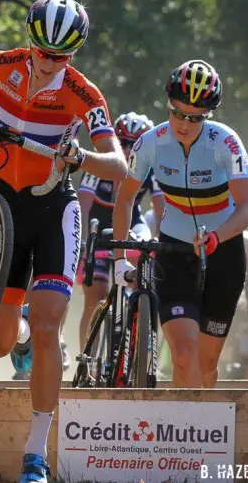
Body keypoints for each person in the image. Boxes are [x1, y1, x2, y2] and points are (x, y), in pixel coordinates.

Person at [0, 0, 127, 482]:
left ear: (73, 56)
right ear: (30, 39)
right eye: (40, 49)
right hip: (3, 209)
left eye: (58, 56)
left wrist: (80, 156)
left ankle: (36, 454)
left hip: (53, 210)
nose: (45, 61)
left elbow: (118, 165)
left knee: (47, 329)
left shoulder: (83, 93)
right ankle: (19, 334)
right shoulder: (6, 63)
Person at [112, 59, 248, 388]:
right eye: (177, 112)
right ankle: (184, 435)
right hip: (175, 250)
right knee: (183, 354)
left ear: (208, 116)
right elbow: (125, 199)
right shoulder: (149, 143)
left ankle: (205, 431)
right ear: (168, 105)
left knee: (206, 365)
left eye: (195, 117)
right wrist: (120, 259)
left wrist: (217, 236)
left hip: (224, 251)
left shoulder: (226, 142)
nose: (184, 123)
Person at [76, 112, 164, 349]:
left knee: (148, 256)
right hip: (98, 224)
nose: (126, 149)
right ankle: (89, 357)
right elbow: (83, 206)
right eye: (122, 142)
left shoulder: (150, 169)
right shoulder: (104, 162)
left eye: (133, 144)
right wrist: (84, 242)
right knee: (96, 296)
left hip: (131, 222)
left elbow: (160, 210)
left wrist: (161, 241)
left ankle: (140, 343)